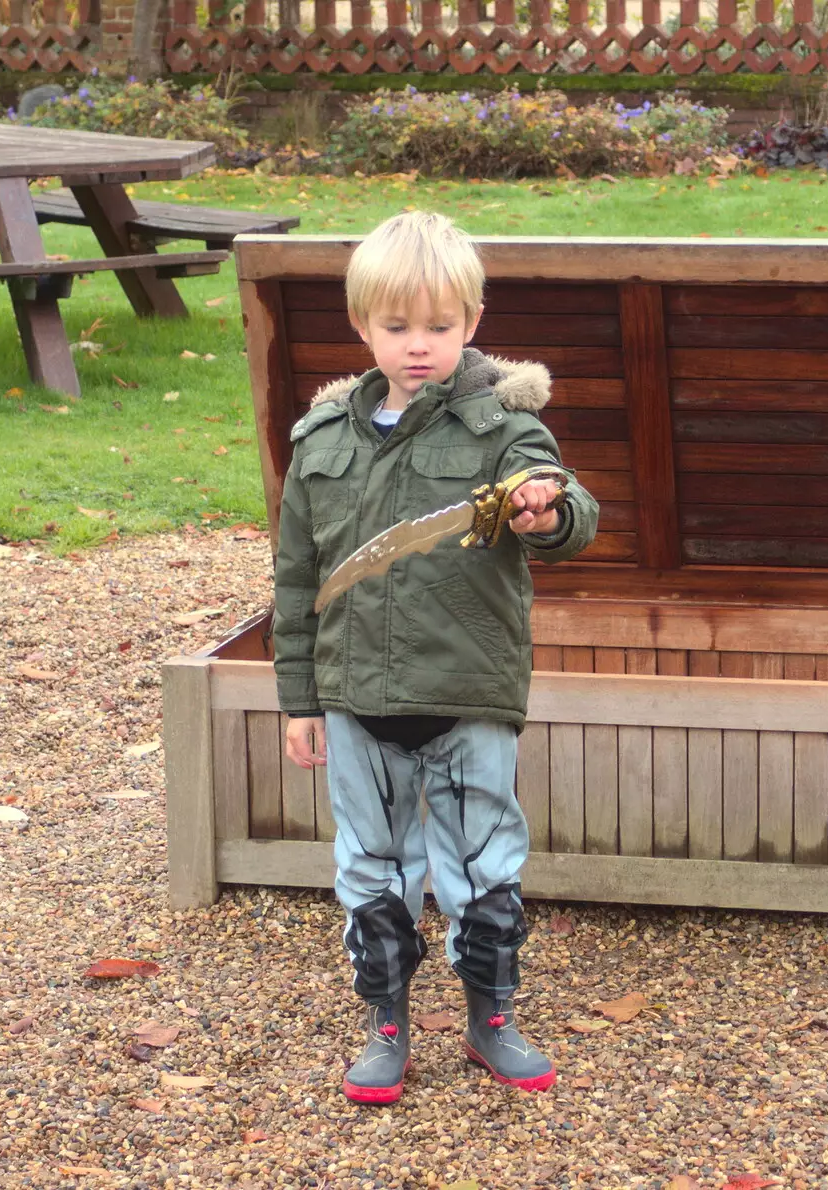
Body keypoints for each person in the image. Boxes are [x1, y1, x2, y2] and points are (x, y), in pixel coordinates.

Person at [271, 211, 598, 1104]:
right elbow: (296, 577)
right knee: (371, 871)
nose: (419, 346)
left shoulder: (504, 425)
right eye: (397, 327)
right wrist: (300, 699)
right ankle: (386, 1022)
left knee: (483, 865)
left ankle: (492, 1016)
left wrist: (546, 508)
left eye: (440, 327)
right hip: (354, 700)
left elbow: (568, 508)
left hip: (466, 694)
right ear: (361, 326)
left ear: (473, 320)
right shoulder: (323, 438)